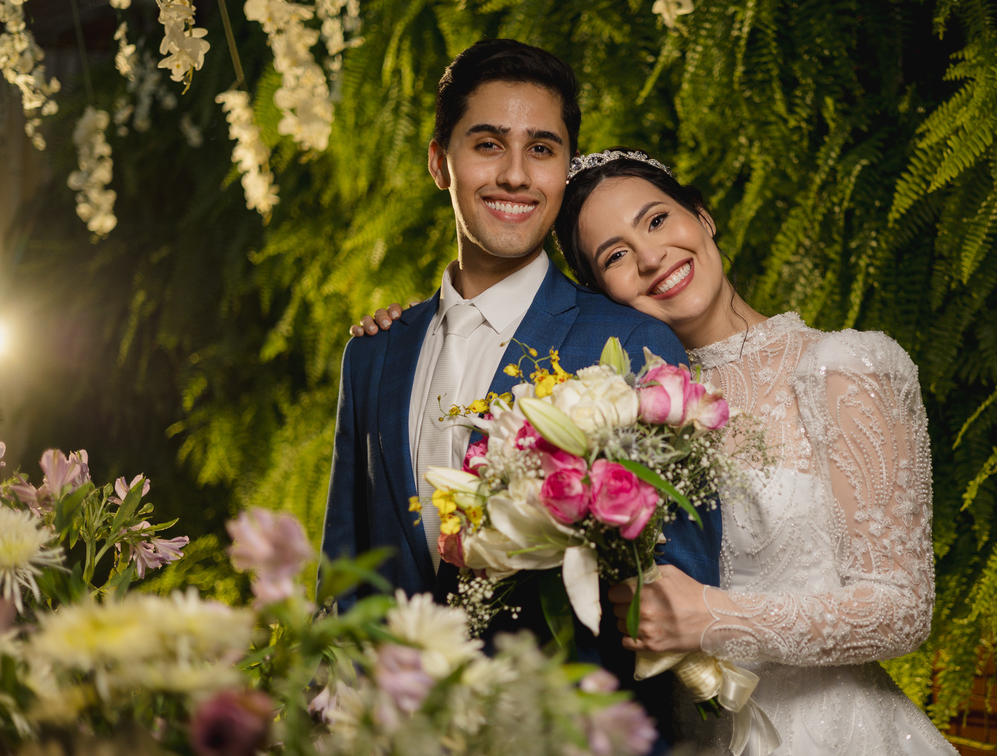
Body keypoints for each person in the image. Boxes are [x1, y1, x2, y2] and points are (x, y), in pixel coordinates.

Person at [356, 148, 957, 755]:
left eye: (657, 220)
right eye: (615, 256)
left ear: (703, 217)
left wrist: (712, 619)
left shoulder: (841, 367)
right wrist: (413, 330)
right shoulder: (608, 408)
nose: (650, 256)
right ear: (600, 294)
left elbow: (902, 610)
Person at [323, 47, 720, 752]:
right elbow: (346, 579)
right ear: (439, 162)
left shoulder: (631, 344)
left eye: (541, 149)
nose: (514, 173)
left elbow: (681, 596)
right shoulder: (374, 354)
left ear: (563, 171)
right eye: (487, 144)